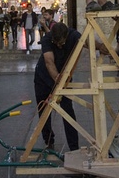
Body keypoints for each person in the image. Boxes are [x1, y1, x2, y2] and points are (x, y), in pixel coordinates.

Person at [34, 23, 110, 151]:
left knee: (67, 111)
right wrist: (57, 79)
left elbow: (86, 42)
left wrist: (100, 47)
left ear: (66, 36)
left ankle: (73, 147)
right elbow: (49, 62)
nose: (59, 46)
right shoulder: (47, 38)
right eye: (56, 43)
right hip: (43, 77)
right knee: (44, 111)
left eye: (61, 43)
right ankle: (48, 141)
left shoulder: (73, 35)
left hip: (64, 78)